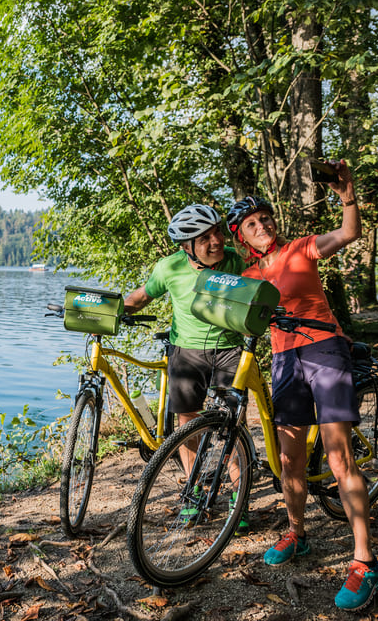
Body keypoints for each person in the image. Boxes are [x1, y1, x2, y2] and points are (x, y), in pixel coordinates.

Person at [226, 161, 378, 612]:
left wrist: (347, 193)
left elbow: (348, 233)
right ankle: (297, 532)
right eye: (252, 225)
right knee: (289, 459)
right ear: (243, 237)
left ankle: (364, 562)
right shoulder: (250, 277)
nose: (262, 227)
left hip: (323, 348)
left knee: (338, 457)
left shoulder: (301, 248)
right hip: (283, 360)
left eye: (265, 219)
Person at [124, 204, 248, 532]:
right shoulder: (170, 268)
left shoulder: (238, 259)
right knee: (186, 425)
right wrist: (108, 312)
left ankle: (239, 494)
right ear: (186, 246)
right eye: (205, 237)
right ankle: (193, 495)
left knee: (234, 426)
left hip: (230, 350)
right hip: (187, 353)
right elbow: (140, 297)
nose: (216, 240)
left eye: (217, 232)